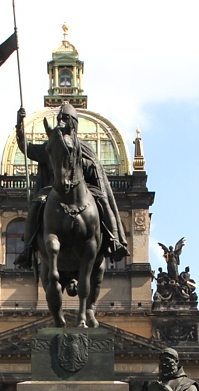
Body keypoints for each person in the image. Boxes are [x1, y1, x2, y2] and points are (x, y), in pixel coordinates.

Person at [12, 102, 129, 269]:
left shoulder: (85, 146)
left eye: (65, 119)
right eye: (60, 119)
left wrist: (81, 163)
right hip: (53, 190)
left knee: (103, 201)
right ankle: (27, 250)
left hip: (85, 189)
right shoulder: (51, 145)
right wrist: (20, 125)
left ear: (73, 123)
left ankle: (115, 241)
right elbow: (28, 149)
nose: (61, 122)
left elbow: (95, 168)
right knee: (36, 204)